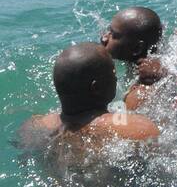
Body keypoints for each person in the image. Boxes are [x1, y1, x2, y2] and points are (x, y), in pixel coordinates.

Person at [17, 43, 159, 153]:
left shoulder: (33, 126)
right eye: (113, 72)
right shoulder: (137, 129)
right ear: (96, 87)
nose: (116, 77)